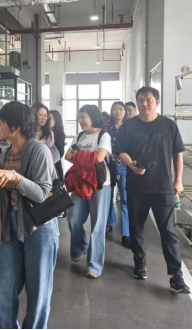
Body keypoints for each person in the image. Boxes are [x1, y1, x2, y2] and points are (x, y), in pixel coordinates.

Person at [0, 101, 59, 330]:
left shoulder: (39, 151)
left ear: (15, 128)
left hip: (39, 229)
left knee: (38, 295)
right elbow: (0, 193)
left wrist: (16, 178)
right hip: (12, 228)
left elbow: (42, 193)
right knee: (2, 289)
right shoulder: (6, 155)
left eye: (2, 122)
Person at [115, 87, 191, 294]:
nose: (144, 104)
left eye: (149, 100)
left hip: (163, 187)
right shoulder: (129, 126)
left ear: (157, 102)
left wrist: (179, 181)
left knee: (168, 231)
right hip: (136, 186)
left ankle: (176, 276)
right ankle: (140, 263)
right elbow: (121, 151)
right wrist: (131, 165)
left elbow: (177, 154)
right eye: (141, 100)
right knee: (136, 228)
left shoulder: (168, 125)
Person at [66, 104, 112, 280]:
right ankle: (80, 247)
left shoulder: (103, 135)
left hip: (99, 184)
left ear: (93, 117)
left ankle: (94, 265)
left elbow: (99, 158)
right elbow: (67, 156)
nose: (80, 120)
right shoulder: (79, 136)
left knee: (97, 225)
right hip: (80, 181)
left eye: (83, 116)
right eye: (79, 117)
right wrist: (88, 156)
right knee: (73, 219)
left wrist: (78, 155)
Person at [105, 102, 130, 249]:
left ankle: (126, 233)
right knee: (108, 197)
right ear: (111, 111)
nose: (118, 111)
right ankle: (109, 223)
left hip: (125, 166)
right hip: (109, 166)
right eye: (115, 109)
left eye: (121, 109)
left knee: (125, 199)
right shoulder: (106, 127)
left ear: (125, 112)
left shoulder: (130, 126)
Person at [49, 110, 66, 181]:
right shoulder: (43, 133)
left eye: (50, 118)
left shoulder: (60, 135)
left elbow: (60, 153)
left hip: (55, 166)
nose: (47, 120)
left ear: (56, 121)